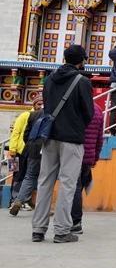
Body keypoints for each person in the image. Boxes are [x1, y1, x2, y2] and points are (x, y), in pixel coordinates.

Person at [32, 45, 94, 243]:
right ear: (81, 61)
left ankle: (38, 229)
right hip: (72, 139)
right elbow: (88, 113)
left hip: (49, 137)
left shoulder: (50, 79)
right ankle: (61, 230)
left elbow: (48, 105)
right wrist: (76, 126)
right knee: (68, 183)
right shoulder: (82, 81)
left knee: (44, 182)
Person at [70, 102, 104, 234]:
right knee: (78, 188)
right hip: (88, 156)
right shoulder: (98, 109)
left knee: (74, 189)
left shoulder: (75, 107)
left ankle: (75, 221)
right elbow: (99, 137)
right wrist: (95, 157)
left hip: (74, 154)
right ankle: (75, 220)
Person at [8, 99, 44, 216]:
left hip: (29, 148)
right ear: (34, 105)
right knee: (19, 176)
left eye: (41, 104)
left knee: (29, 176)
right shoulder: (26, 115)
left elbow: (27, 134)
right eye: (38, 104)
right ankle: (15, 199)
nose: (40, 106)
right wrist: (13, 149)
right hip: (21, 151)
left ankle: (22, 200)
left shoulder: (36, 115)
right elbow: (16, 132)